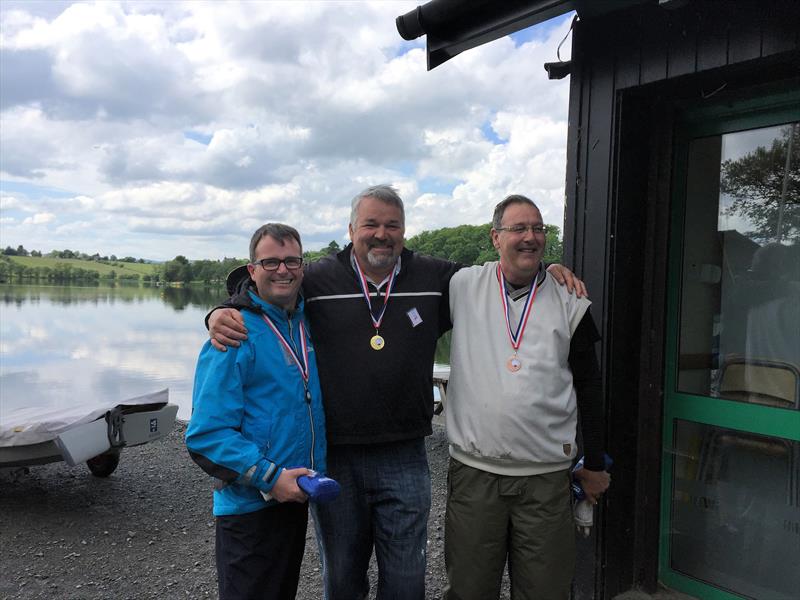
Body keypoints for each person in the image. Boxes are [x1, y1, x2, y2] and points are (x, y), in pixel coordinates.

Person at [207, 185, 586, 600]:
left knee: (407, 582)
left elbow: (506, 271)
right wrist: (223, 309)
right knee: (343, 579)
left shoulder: (436, 278)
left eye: (392, 225)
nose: (381, 234)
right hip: (337, 456)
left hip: (405, 454)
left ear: (405, 231)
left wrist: (548, 267)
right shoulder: (317, 279)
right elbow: (268, 283)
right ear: (352, 229)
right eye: (371, 224)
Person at [443, 194, 610, 600]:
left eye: (538, 228)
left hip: (546, 478)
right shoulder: (462, 285)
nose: (530, 237)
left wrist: (595, 463)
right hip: (475, 473)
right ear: (495, 237)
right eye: (518, 228)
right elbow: (393, 279)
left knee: (546, 590)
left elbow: (590, 386)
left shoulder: (570, 300)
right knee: (469, 589)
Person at [186, 223, 327, 600]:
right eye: (271, 262)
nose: (283, 270)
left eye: (292, 261)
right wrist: (270, 477)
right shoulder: (233, 332)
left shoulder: (304, 319)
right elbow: (206, 435)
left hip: (292, 497)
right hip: (250, 507)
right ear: (252, 270)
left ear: (303, 266)